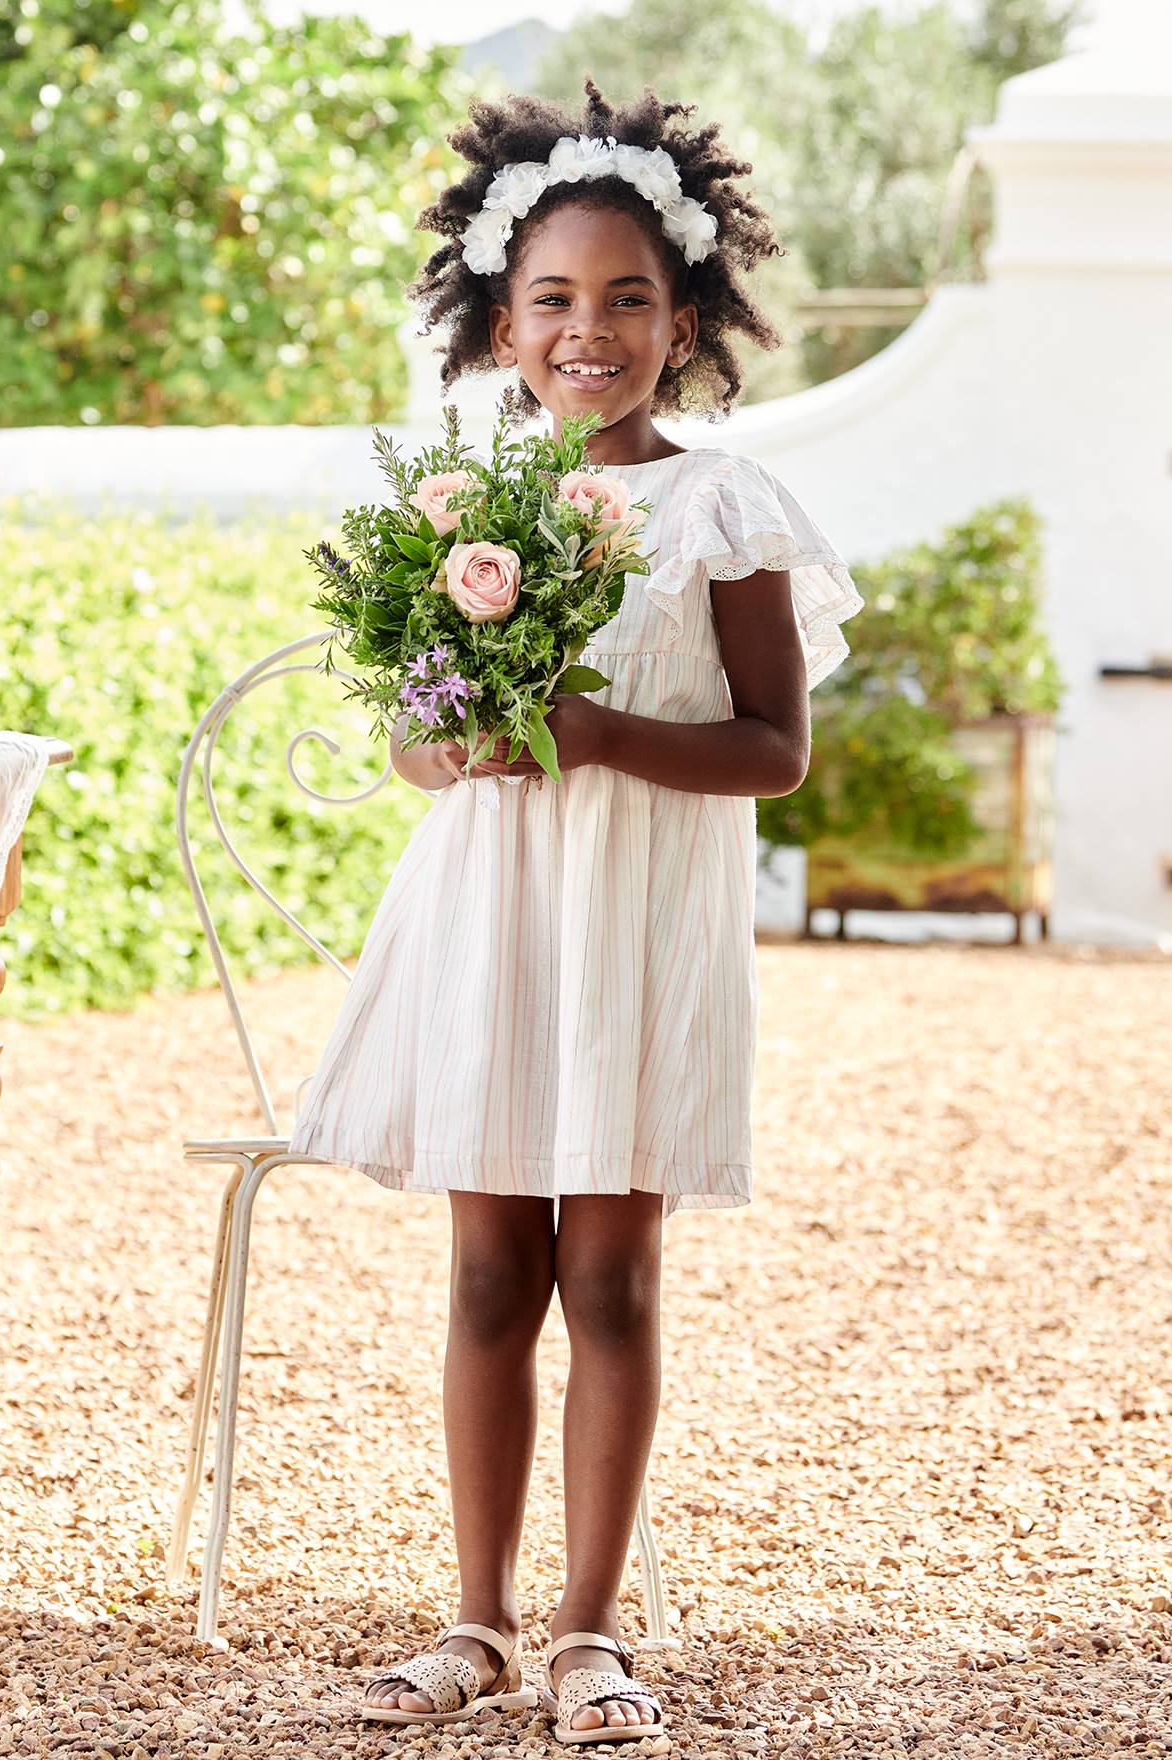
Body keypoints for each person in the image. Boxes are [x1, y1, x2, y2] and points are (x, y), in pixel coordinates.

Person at [288, 77, 863, 1746]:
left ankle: (589, 1631)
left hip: (636, 930)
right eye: (553, 299)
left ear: (685, 319)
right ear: (500, 320)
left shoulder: (725, 508)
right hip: (495, 921)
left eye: (627, 299)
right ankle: (472, 1615)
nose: (588, 329)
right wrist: (449, 743)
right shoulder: (464, 507)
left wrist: (599, 732)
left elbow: (775, 751)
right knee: (485, 1271)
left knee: (608, 1274)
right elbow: (408, 734)